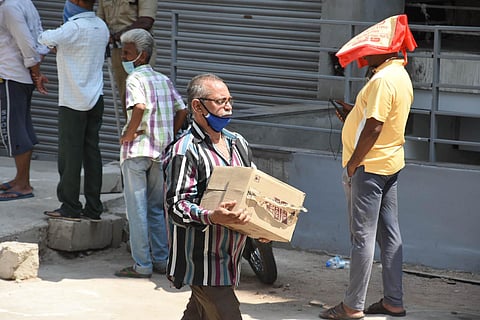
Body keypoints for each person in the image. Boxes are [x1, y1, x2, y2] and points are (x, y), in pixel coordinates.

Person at [320, 16, 416, 320]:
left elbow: (373, 128)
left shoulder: (381, 81)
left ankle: (352, 306)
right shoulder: (399, 75)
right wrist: (353, 115)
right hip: (390, 164)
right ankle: (393, 301)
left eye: (368, 51)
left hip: (370, 167)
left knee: (362, 237)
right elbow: (378, 120)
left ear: (383, 51)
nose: (363, 55)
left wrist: (352, 165)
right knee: (390, 234)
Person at [164, 73, 256, 319]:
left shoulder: (238, 143)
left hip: (229, 257)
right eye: (220, 101)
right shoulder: (185, 151)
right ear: (197, 106)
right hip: (202, 262)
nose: (228, 107)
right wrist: (211, 216)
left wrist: (261, 229)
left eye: (229, 100)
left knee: (197, 314)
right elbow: (176, 206)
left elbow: (253, 189)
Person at [114, 28, 187, 278]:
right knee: (156, 209)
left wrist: (128, 134)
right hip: (160, 152)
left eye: (127, 53)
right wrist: (169, 134)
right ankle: (162, 260)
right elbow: (183, 110)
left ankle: (142, 265)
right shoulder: (163, 80)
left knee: (136, 211)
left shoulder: (135, 79)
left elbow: (140, 107)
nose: (123, 58)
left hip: (136, 152)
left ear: (141, 56)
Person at [39, 0, 109, 221]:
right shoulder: (101, 26)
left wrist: (53, 42)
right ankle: (94, 207)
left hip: (73, 101)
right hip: (96, 97)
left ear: (78, 1)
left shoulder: (74, 27)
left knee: (70, 155)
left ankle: (70, 206)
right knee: (92, 153)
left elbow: (45, 38)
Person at [0, 0, 49, 201]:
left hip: (10, 75)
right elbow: (39, 37)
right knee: (22, 127)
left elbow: (28, 44)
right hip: (19, 76)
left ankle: (23, 185)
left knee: (14, 130)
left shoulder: (9, 8)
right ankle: (20, 179)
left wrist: (35, 72)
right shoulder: (23, 2)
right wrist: (35, 71)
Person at [96, 0, 157, 120]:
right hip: (118, 50)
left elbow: (146, 21)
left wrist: (117, 36)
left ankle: (146, 134)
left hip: (139, 50)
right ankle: (132, 132)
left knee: (142, 96)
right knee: (126, 97)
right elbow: (100, 20)